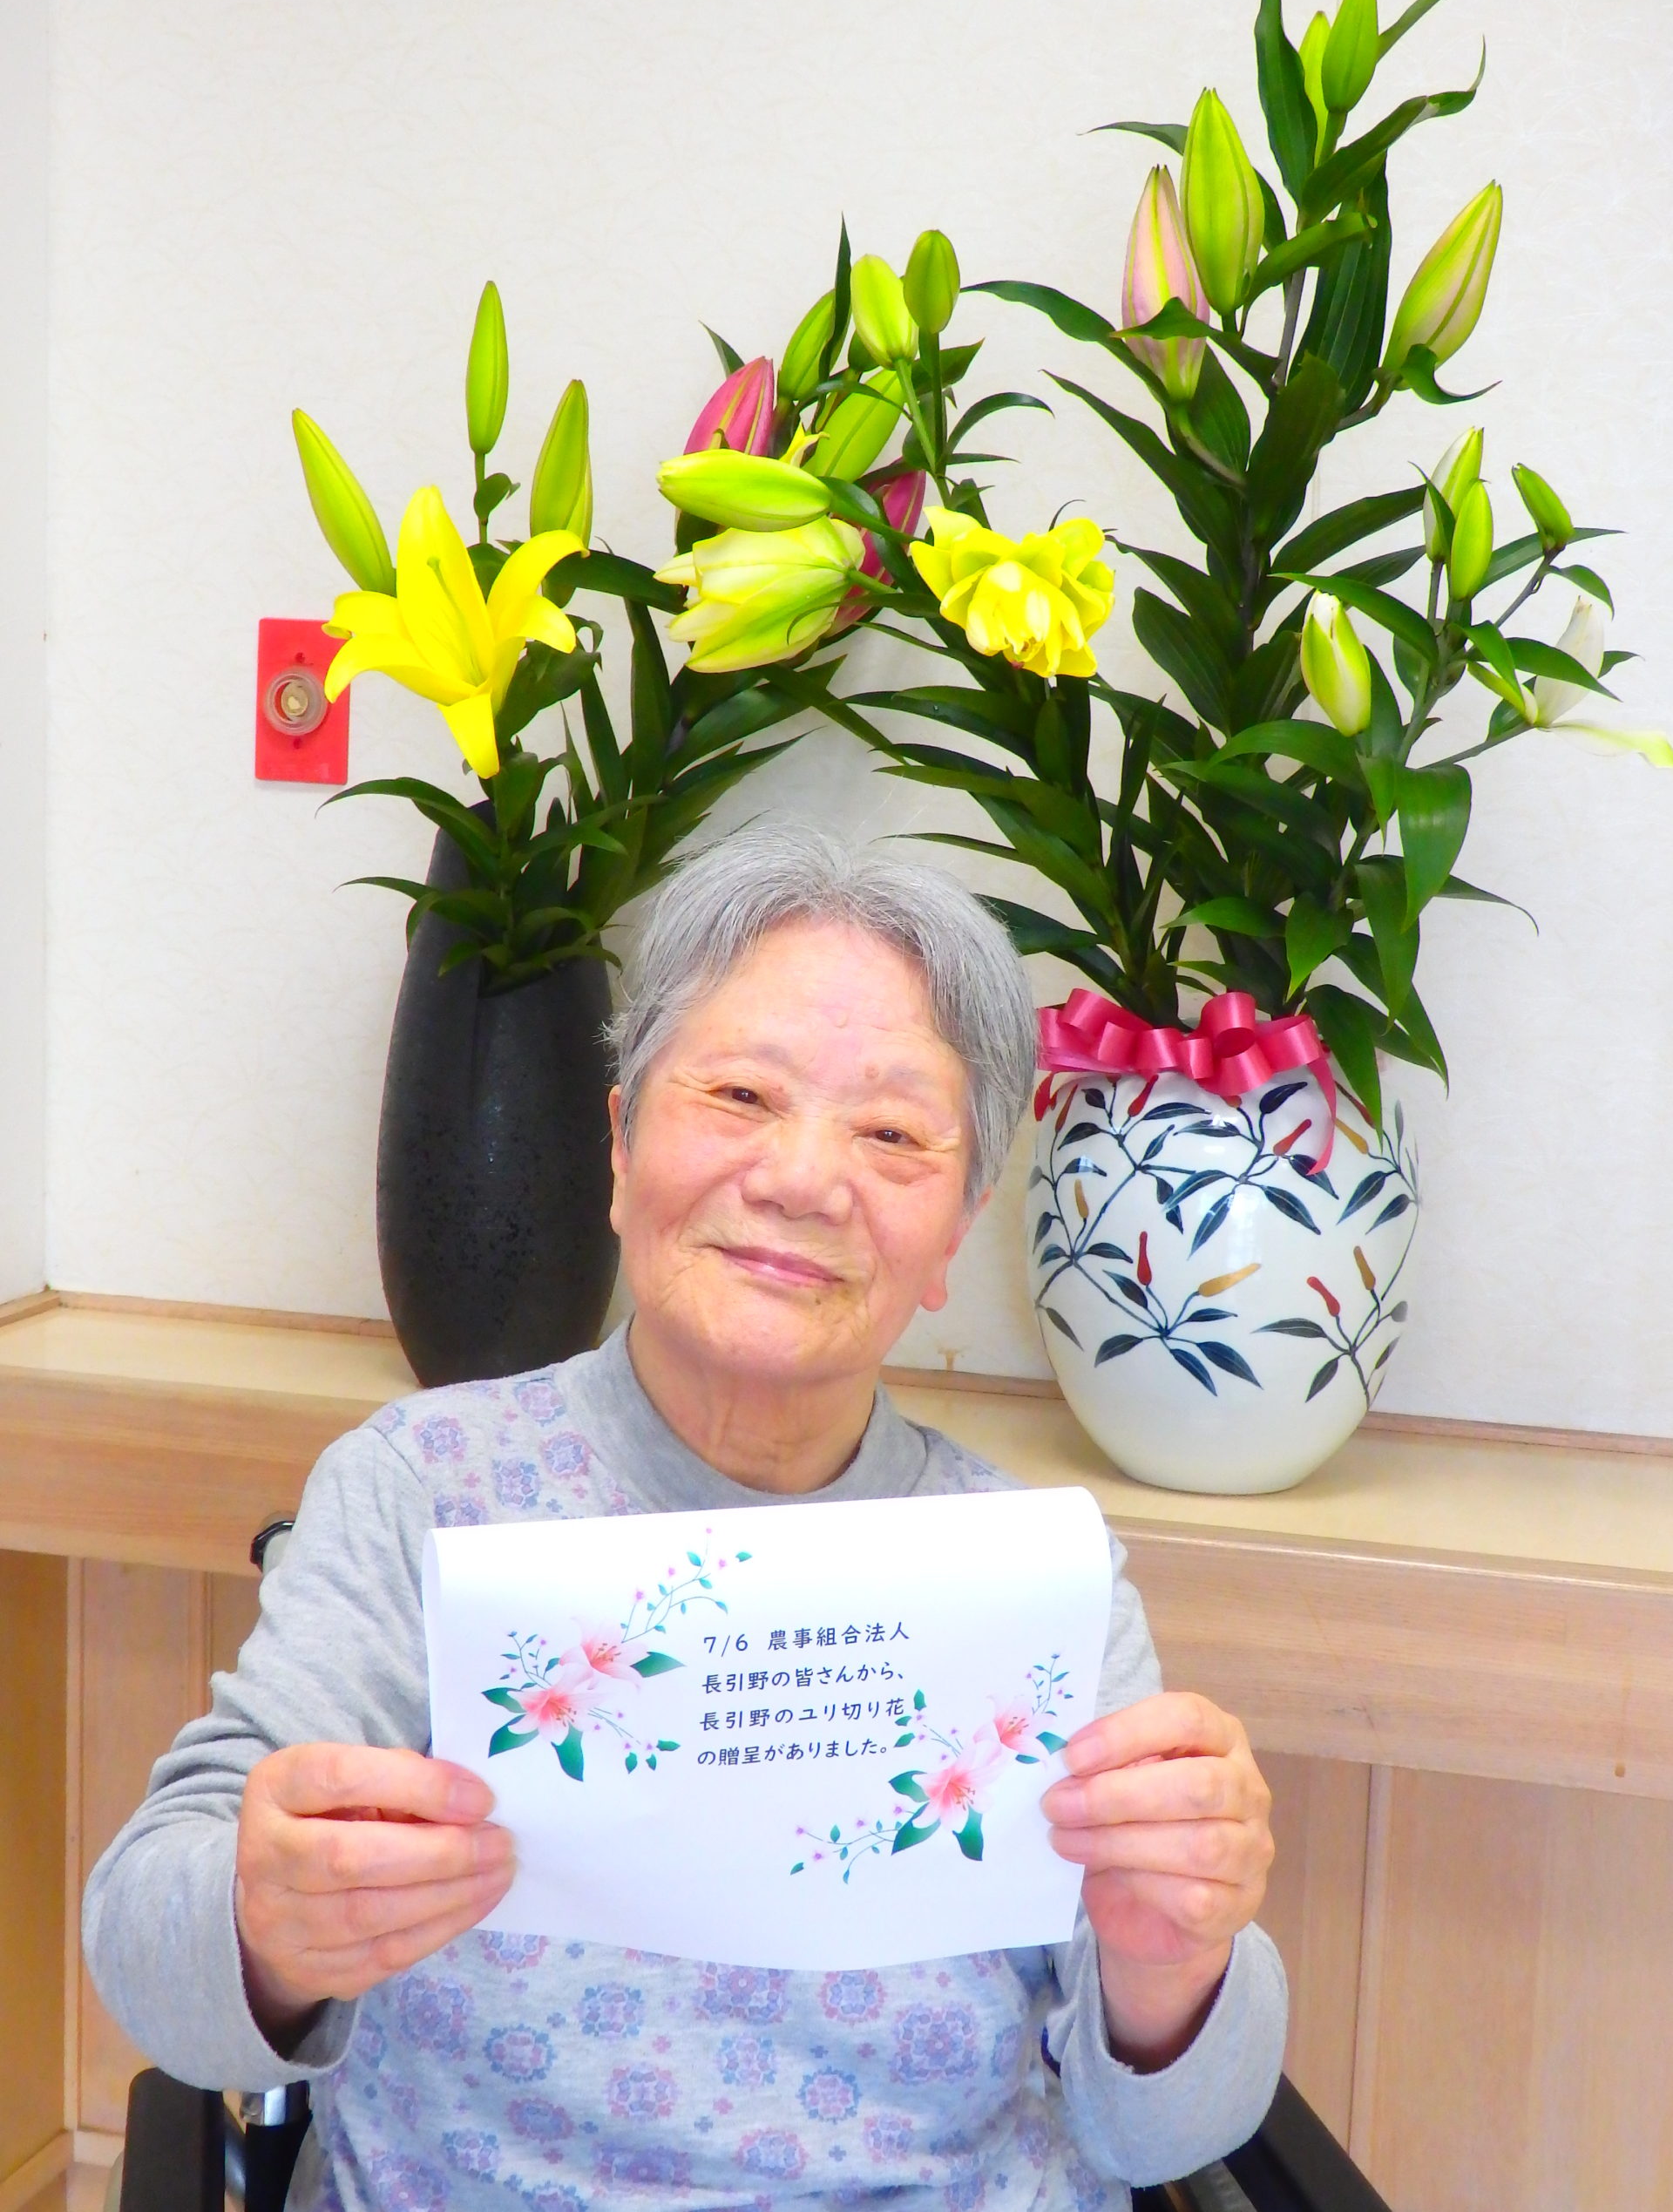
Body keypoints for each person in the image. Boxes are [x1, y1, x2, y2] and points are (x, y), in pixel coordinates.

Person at [85, 821, 1284, 2212]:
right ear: (619, 1144)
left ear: (954, 1233)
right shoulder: (428, 1487)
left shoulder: (1023, 1569)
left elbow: (1168, 2138)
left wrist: (1173, 1963)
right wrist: (266, 1921)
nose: (802, 1179)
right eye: (740, 1095)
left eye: (893, 1134)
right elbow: (152, 1949)